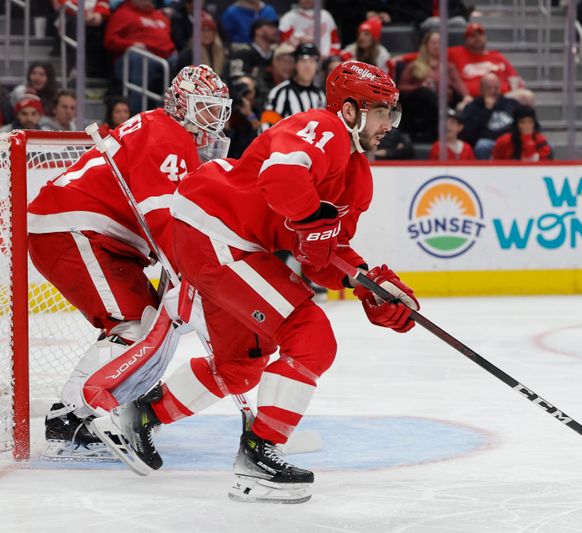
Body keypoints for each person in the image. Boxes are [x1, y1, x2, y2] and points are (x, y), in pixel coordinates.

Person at [91, 60, 419, 504]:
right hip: (216, 227)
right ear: (349, 110)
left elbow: (320, 256)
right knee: (311, 334)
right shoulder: (321, 128)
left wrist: (372, 285)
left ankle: (142, 415)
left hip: (228, 240)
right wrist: (311, 220)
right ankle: (259, 454)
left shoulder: (357, 178)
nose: (389, 123)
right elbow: (282, 178)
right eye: (381, 111)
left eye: (391, 113)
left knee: (240, 367)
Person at [26, 65, 231, 459]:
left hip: (88, 235)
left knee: (150, 321)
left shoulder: (161, 129)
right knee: (137, 325)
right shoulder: (170, 137)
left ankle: (104, 401)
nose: (214, 119)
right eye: (206, 108)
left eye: (219, 109)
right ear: (182, 104)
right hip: (75, 231)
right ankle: (73, 420)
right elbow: (164, 222)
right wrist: (199, 276)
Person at [104, 0, 178, 113]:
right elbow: (109, 41)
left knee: (180, 60)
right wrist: (131, 44)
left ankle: (173, 110)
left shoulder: (160, 16)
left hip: (164, 58)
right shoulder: (122, 13)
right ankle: (135, 114)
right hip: (134, 60)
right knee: (139, 59)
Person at [398, 30, 469, 142]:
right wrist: (419, 87)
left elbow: (458, 83)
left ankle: (444, 111)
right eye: (433, 42)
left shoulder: (448, 66)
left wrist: (466, 97)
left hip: (443, 104)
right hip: (420, 109)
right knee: (424, 91)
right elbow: (401, 88)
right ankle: (446, 111)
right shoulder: (414, 66)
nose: (436, 46)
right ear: (426, 45)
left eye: (439, 43)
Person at [447, 22, 524, 99]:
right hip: (473, 101)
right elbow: (436, 54)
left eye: (480, 34)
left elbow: (514, 78)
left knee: (526, 96)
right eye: (473, 36)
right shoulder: (456, 53)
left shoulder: (497, 56)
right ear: (466, 39)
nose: (477, 38)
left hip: (502, 98)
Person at [459, 73, 519, 159]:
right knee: (482, 146)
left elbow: (524, 120)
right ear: (481, 89)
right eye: (489, 88)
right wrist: (487, 111)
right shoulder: (473, 107)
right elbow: (468, 134)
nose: (493, 91)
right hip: (486, 141)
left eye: (495, 88)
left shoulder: (510, 104)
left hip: (508, 140)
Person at [265, 43, 325, 119]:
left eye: (312, 61)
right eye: (303, 61)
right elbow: (267, 126)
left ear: (317, 66)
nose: (308, 66)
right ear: (295, 64)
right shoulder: (280, 92)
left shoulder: (320, 95)